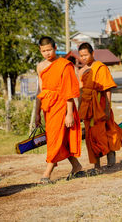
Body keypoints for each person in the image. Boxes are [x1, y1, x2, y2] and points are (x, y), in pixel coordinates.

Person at [35, 36, 83, 183]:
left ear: (55, 48)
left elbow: (68, 90)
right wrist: (37, 112)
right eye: (44, 51)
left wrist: (69, 114)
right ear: (40, 51)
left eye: (49, 50)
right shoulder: (40, 66)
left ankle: (47, 173)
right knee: (58, 138)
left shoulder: (65, 65)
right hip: (48, 106)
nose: (47, 53)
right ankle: (77, 167)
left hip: (62, 105)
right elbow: (40, 90)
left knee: (55, 138)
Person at [78, 43, 122, 169]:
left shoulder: (101, 68)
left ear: (92, 53)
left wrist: (107, 108)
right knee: (91, 136)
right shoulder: (81, 71)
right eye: (81, 56)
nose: (83, 58)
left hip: (100, 104)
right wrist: (79, 111)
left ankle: (110, 156)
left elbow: (107, 89)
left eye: (86, 55)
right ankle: (97, 165)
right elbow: (80, 93)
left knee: (103, 133)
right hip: (87, 107)